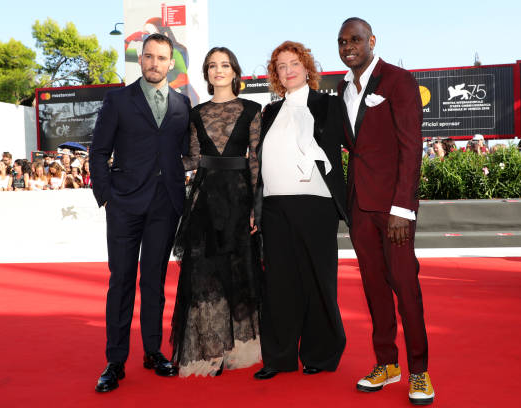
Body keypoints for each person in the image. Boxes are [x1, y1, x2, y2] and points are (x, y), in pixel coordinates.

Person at [337, 17, 434, 405]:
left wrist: (402, 209)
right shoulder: (343, 89)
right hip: (360, 207)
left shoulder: (398, 80)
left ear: (372, 41)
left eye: (356, 39)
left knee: (406, 289)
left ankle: (420, 372)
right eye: (342, 41)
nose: (348, 46)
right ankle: (387, 364)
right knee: (374, 289)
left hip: (393, 210)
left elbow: (412, 148)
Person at [90, 33, 191, 392]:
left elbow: (185, 152)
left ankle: (152, 351)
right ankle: (115, 361)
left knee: (154, 282)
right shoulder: (118, 99)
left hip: (165, 205)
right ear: (140, 59)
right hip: (124, 204)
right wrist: (106, 197)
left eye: (162, 58)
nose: (154, 63)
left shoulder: (182, 104)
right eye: (148, 56)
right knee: (120, 283)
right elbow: (98, 151)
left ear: (171, 63)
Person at [253, 40, 348, 380]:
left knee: (318, 282)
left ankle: (320, 354)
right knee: (278, 284)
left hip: (316, 206)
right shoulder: (269, 113)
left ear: (306, 67)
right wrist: (256, 206)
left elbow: (354, 144)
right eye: (281, 66)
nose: (288, 69)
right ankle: (278, 357)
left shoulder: (328, 105)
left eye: (294, 63)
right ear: (276, 75)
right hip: (275, 208)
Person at [169, 47, 262, 378]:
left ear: (235, 71)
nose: (218, 70)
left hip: (239, 200)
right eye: (212, 66)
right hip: (205, 200)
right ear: (206, 74)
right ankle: (212, 348)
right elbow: (193, 158)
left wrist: (256, 207)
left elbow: (255, 161)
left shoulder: (253, 109)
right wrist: (157, 163)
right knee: (205, 276)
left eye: (225, 65)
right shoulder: (196, 113)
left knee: (239, 274)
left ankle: (239, 348)